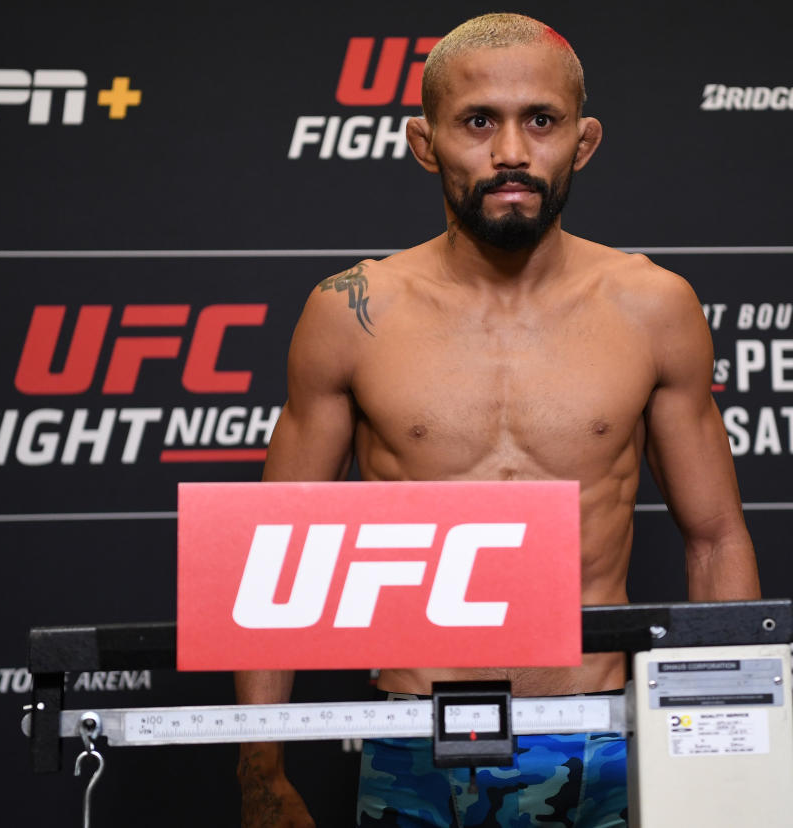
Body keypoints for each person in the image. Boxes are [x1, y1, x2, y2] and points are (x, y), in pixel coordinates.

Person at [235, 12, 760, 828]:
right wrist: (259, 767)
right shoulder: (352, 312)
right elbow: (277, 548)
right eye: (479, 122)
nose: (511, 152)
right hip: (413, 733)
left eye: (539, 121)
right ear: (425, 141)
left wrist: (734, 760)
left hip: (588, 731)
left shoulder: (653, 307)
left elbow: (715, 536)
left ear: (581, 143)